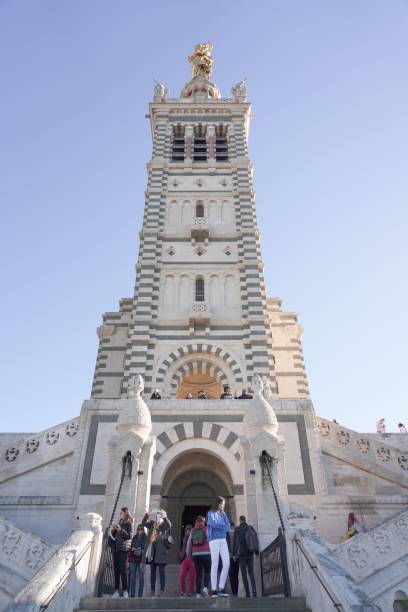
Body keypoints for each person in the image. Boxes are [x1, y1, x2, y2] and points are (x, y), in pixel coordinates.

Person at [142, 508, 172, 597]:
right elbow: (143, 523)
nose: (157, 517)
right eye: (156, 515)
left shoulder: (163, 525)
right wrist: (147, 514)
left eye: (159, 516)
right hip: (152, 552)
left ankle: (162, 589)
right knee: (152, 572)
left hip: (161, 552)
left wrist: (165, 516)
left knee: (162, 572)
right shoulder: (151, 524)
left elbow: (169, 525)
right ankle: (152, 590)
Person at [207, 496, 231, 597]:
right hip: (214, 540)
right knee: (215, 564)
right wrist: (222, 526)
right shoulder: (210, 513)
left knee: (226, 563)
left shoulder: (223, 513)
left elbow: (228, 526)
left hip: (223, 540)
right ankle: (214, 589)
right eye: (222, 504)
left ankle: (221, 587)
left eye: (224, 504)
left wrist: (220, 526)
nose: (223, 506)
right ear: (218, 503)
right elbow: (213, 523)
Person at [110, 507, 133, 598]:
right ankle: (116, 590)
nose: (120, 514)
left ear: (125, 513)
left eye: (121, 513)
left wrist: (120, 530)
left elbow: (129, 536)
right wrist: (114, 530)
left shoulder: (129, 523)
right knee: (116, 570)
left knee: (123, 570)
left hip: (123, 549)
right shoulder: (120, 522)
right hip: (116, 549)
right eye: (120, 513)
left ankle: (125, 590)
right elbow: (114, 535)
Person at [233, 515, 258, 598]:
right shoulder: (250, 527)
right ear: (245, 520)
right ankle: (254, 591)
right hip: (250, 553)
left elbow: (235, 543)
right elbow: (255, 540)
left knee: (244, 575)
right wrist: (257, 552)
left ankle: (247, 593)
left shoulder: (237, 529)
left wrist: (234, 554)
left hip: (242, 555)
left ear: (240, 520)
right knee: (251, 573)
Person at [187, 515, 211, 598]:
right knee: (207, 571)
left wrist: (188, 555)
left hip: (195, 554)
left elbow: (189, 543)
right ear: (203, 522)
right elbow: (210, 540)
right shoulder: (206, 528)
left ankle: (198, 593)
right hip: (206, 553)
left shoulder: (193, 530)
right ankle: (205, 588)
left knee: (199, 574)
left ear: (196, 522)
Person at [129, 523, 148, 598]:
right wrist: (137, 549)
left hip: (141, 561)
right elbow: (132, 547)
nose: (140, 530)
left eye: (141, 529)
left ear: (143, 530)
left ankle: (140, 596)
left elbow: (144, 549)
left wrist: (137, 549)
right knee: (132, 578)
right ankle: (132, 595)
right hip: (133, 559)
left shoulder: (146, 538)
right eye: (138, 529)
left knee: (141, 578)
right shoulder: (134, 537)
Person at [179, 525, 195, 597]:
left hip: (192, 559)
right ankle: (183, 591)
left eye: (189, 530)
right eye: (186, 530)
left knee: (192, 576)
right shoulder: (185, 538)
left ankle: (191, 591)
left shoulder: (194, 537)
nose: (188, 532)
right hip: (185, 559)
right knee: (182, 575)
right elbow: (184, 544)